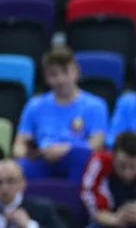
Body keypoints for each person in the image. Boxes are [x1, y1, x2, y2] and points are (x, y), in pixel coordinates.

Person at [14, 46, 108, 182]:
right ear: (46, 78)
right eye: (54, 75)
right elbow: (20, 143)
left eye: (65, 73)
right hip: (43, 159)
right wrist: (25, 154)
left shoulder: (95, 105)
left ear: (76, 72)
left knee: (82, 159)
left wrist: (66, 150)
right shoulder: (35, 105)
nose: (60, 80)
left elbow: (97, 143)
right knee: (21, 168)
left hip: (76, 159)